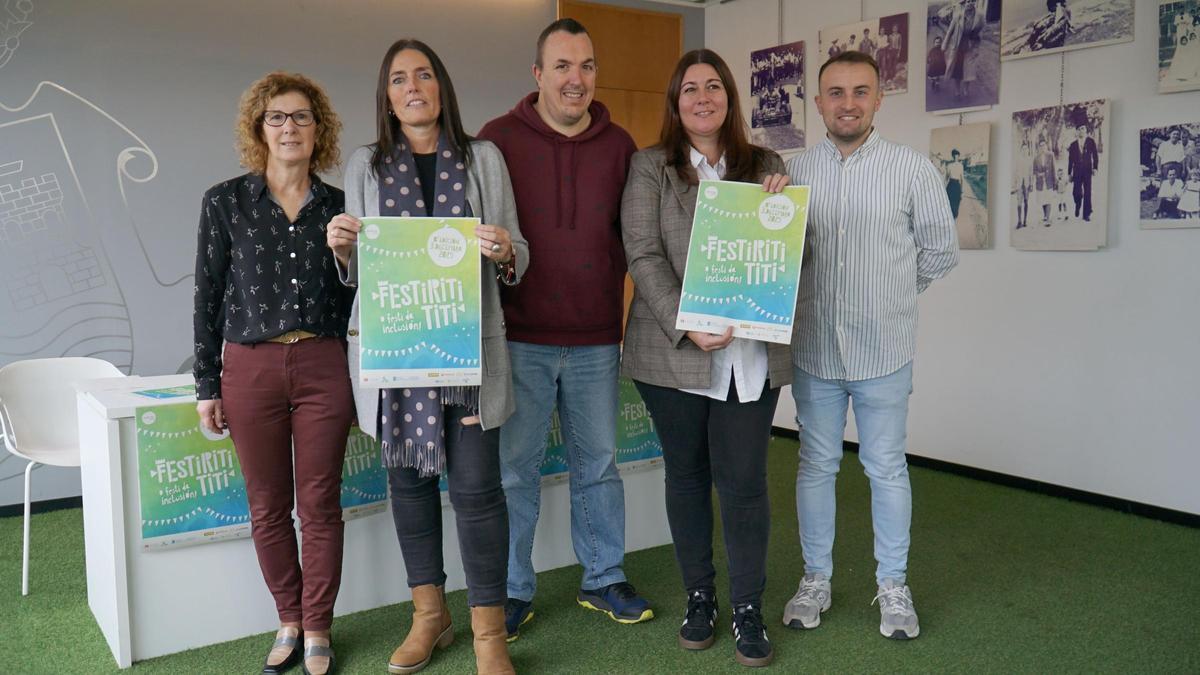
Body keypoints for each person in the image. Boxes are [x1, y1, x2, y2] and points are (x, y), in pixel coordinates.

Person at [324, 39, 528, 675]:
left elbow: (516, 247)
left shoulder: (482, 157)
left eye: (423, 75)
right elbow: (357, 272)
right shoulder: (365, 164)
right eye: (398, 79)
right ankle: (429, 616)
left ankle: (489, 635)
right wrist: (341, 246)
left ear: (441, 86)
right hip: (394, 356)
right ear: (386, 96)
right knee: (409, 488)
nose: (412, 87)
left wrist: (503, 251)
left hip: (469, 355)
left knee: (477, 492)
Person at [476, 18, 652, 640]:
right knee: (515, 471)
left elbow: (636, 238)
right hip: (518, 337)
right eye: (562, 66)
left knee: (598, 463)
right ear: (538, 74)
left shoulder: (621, 145)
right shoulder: (494, 142)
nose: (576, 79)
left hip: (597, 338)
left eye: (586, 66)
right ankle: (512, 590)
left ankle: (603, 577)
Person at [621, 48, 792, 668]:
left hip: (750, 356)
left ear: (729, 98)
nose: (702, 97)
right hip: (673, 356)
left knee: (745, 484)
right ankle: (701, 597)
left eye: (713, 86)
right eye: (689, 88)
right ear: (676, 101)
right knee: (687, 477)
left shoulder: (767, 165)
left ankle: (748, 606)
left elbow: (796, 253)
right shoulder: (650, 168)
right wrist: (687, 324)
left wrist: (780, 210)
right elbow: (641, 253)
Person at [782, 51, 957, 641]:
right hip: (814, 351)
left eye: (860, 91)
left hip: (885, 351)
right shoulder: (793, 171)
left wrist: (889, 297)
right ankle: (816, 579)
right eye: (835, 92)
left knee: (886, 468)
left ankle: (893, 586)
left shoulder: (912, 169)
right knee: (815, 466)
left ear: (879, 99)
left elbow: (940, 250)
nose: (848, 103)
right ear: (818, 102)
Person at [193, 71, 354, 675]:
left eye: (302, 117)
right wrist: (207, 385)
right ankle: (287, 617)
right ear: (260, 129)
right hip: (250, 368)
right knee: (266, 505)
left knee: (319, 504)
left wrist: (347, 257)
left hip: (322, 364)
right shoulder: (225, 201)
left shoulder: (342, 207)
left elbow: (361, 297)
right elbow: (207, 297)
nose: (290, 127)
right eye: (277, 118)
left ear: (320, 130)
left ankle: (318, 627)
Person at [1067, 123, 1099, 221]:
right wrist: (1069, 173)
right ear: (1077, 131)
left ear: (1086, 130)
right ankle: (1078, 204)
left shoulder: (1091, 141)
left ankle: (1086, 214)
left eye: (1083, 128)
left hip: (1087, 170)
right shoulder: (1073, 145)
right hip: (1076, 171)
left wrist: (1095, 168)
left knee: (1088, 191)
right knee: (1076, 192)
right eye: (1080, 129)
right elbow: (1070, 160)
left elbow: (1095, 155)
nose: (1082, 130)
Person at [1033, 138, 1057, 225]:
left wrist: (1055, 181)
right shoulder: (1036, 158)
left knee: (1049, 199)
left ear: (1046, 146)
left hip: (1049, 181)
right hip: (1040, 183)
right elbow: (1034, 170)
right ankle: (1045, 215)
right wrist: (1038, 174)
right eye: (1041, 146)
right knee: (1043, 199)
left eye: (1044, 145)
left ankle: (1047, 218)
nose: (1042, 147)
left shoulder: (1051, 155)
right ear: (1039, 148)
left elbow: (1054, 169)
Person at [1016, 139, 1034, 229]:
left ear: (1028, 150)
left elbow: (1031, 173)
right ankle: (1019, 221)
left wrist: (1031, 184)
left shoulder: (1030, 160)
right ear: (1021, 150)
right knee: (1019, 202)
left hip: (1026, 184)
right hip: (1019, 184)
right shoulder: (1018, 160)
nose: (1025, 150)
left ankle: (1025, 220)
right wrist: (1014, 184)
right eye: (1023, 149)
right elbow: (1015, 172)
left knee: (1026, 202)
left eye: (1026, 149)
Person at [944, 149, 964, 219]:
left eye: (957, 156)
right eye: (954, 155)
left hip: (957, 185)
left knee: (957, 201)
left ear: (958, 156)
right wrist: (943, 188)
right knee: (949, 202)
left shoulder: (961, 166)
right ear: (952, 156)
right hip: (951, 185)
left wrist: (962, 191)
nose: (956, 157)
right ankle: (950, 218)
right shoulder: (949, 165)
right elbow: (946, 178)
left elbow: (962, 179)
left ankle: (954, 217)